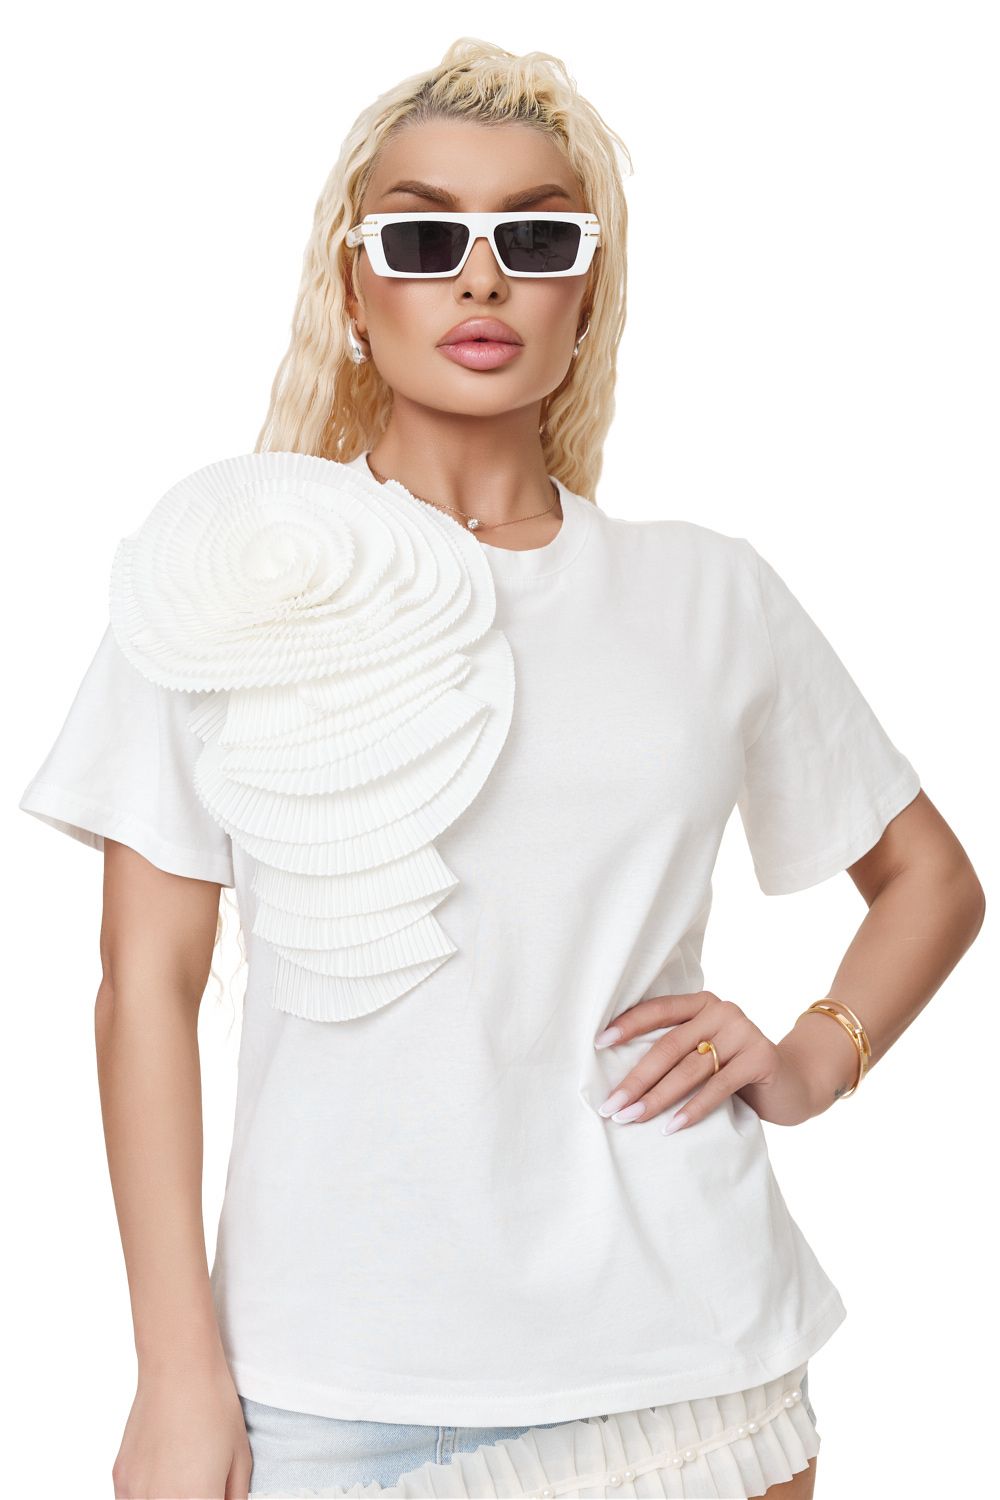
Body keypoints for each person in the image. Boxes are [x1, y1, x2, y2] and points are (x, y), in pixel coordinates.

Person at [17, 36, 985, 1500]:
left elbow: (929, 879)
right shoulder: (231, 578)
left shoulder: (708, 594)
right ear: (354, 291)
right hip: (326, 1389)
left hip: (688, 1374)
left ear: (584, 295)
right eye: (424, 239)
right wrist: (172, 1371)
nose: (481, 279)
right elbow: (143, 985)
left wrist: (812, 1057)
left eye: (534, 240)